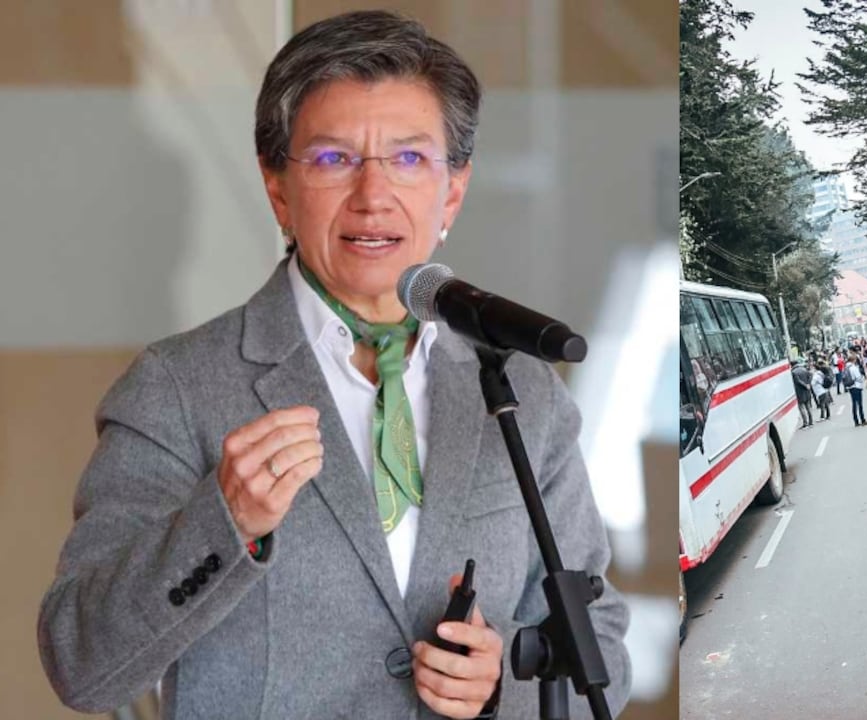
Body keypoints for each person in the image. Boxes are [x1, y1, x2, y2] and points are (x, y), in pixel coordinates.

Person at [36, 12, 630, 719]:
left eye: (409, 159)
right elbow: (80, 664)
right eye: (332, 159)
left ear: (455, 190)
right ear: (278, 189)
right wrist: (223, 520)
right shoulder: (178, 386)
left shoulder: (519, 389)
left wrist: (505, 685)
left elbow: (605, 648)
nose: (372, 196)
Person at [844, 353, 867, 427]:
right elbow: (858, 377)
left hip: (850, 387)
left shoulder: (846, 368)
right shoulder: (853, 368)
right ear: (853, 360)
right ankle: (863, 419)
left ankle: (856, 421)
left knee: (854, 404)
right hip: (856, 386)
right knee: (859, 404)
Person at [792, 360, 814, 428]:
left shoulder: (793, 372)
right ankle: (811, 421)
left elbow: (797, 381)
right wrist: (808, 384)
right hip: (807, 391)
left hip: (799, 392)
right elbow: (810, 376)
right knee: (808, 407)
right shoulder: (804, 369)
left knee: (801, 407)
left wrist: (805, 385)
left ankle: (805, 423)